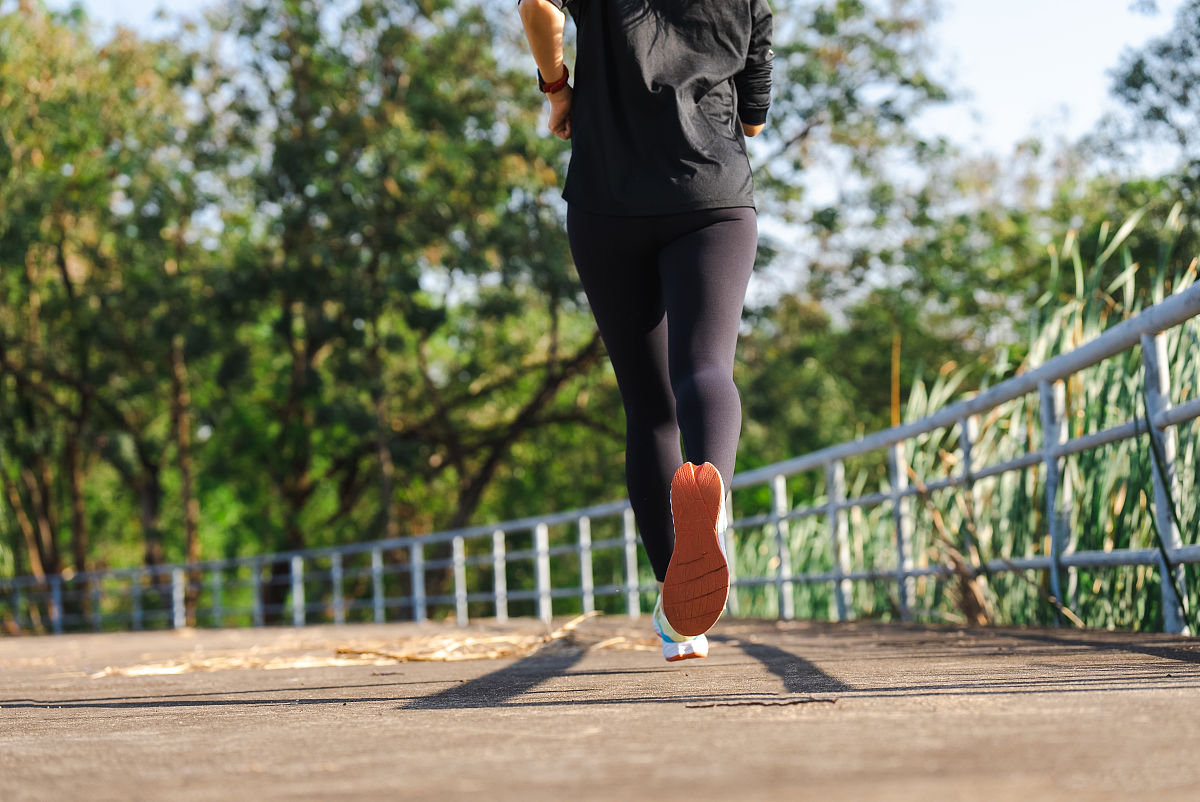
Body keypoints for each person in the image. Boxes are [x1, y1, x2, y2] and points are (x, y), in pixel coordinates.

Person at [517, 0, 773, 662]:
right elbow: (755, 101)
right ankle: (709, 504)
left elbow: (536, 5)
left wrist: (557, 87)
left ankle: (678, 612)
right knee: (706, 369)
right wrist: (740, 115)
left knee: (650, 410)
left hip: (607, 200)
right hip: (711, 197)